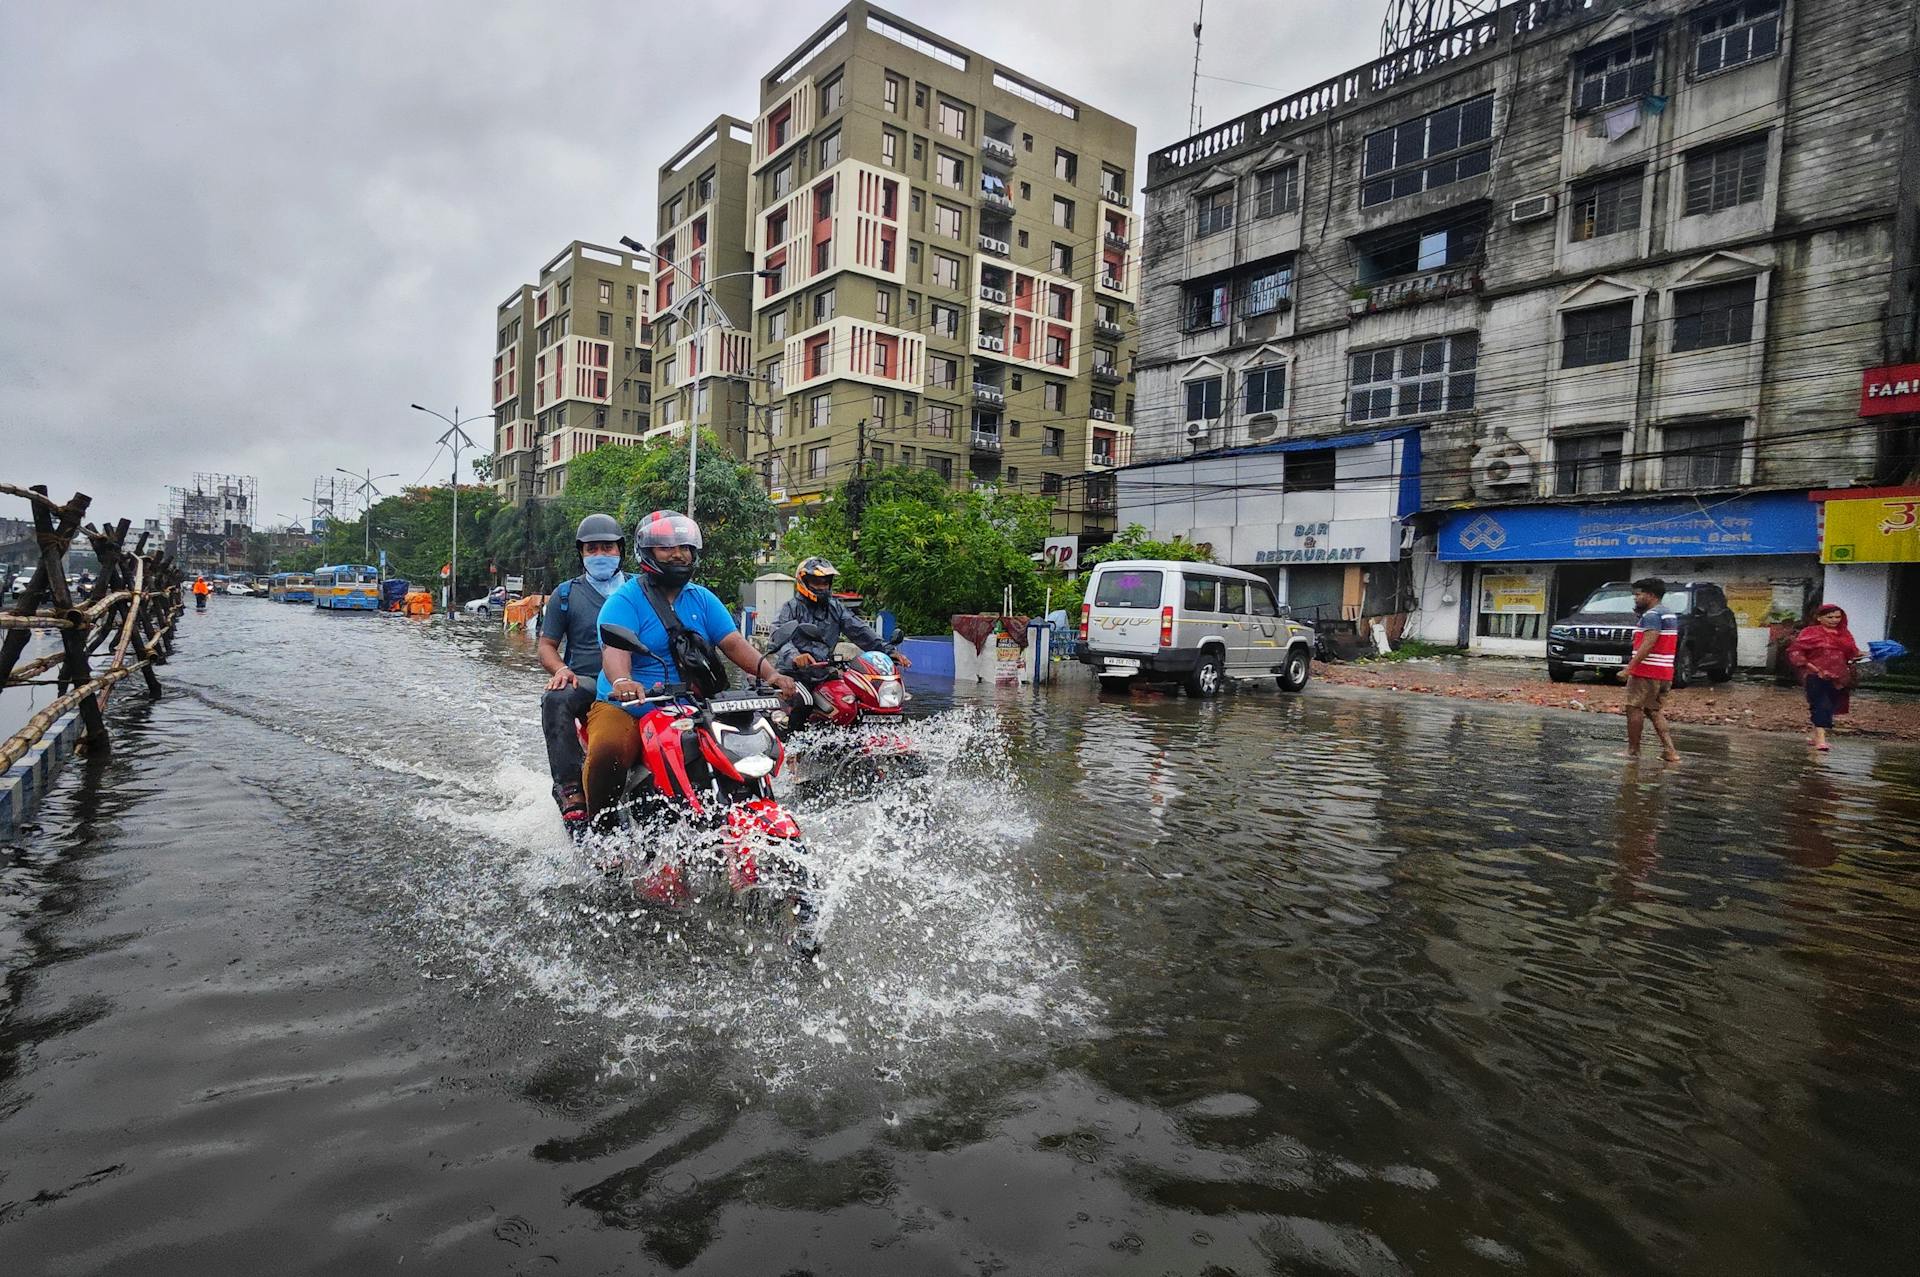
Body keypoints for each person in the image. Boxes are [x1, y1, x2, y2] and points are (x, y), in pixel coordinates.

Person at [583, 510, 798, 825]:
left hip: (693, 706)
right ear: (647, 552)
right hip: (631, 706)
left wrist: (772, 674)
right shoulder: (624, 601)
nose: (679, 553)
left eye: (684, 547)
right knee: (609, 750)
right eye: (667, 547)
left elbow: (734, 643)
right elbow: (615, 652)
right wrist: (623, 682)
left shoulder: (703, 600)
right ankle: (600, 834)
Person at [536, 513, 626, 833]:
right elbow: (546, 645)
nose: (600, 555)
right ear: (582, 554)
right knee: (555, 697)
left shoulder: (640, 591)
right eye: (592, 549)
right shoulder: (565, 594)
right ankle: (571, 788)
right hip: (588, 683)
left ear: (620, 551)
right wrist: (562, 669)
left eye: (607, 547)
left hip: (639, 683)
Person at [768, 557, 909, 728]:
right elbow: (778, 633)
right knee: (805, 701)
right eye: (816, 582)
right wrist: (795, 656)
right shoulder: (790, 608)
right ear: (803, 581)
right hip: (794, 673)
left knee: (856, 698)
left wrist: (888, 651)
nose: (821, 587)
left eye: (825, 582)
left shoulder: (835, 608)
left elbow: (859, 630)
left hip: (825, 671)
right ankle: (792, 748)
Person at [1785, 603, 1860, 752]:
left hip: (1838, 677)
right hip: (1815, 675)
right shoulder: (1810, 633)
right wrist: (1814, 669)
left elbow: (1852, 653)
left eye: (1837, 617)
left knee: (1830, 705)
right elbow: (1796, 652)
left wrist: (1872, 653)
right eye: (1830, 617)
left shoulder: (1844, 634)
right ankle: (1821, 740)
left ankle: (1815, 736)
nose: (1834, 620)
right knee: (1821, 704)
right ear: (1819, 618)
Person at [1622, 576, 1680, 763]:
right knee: (1653, 710)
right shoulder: (1669, 614)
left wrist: (1630, 668)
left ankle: (1633, 750)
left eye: (1638, 595)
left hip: (1647, 671)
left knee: (1634, 708)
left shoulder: (1652, 615)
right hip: (1664, 671)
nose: (1635, 599)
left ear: (1651, 595)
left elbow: (1649, 642)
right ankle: (1670, 751)